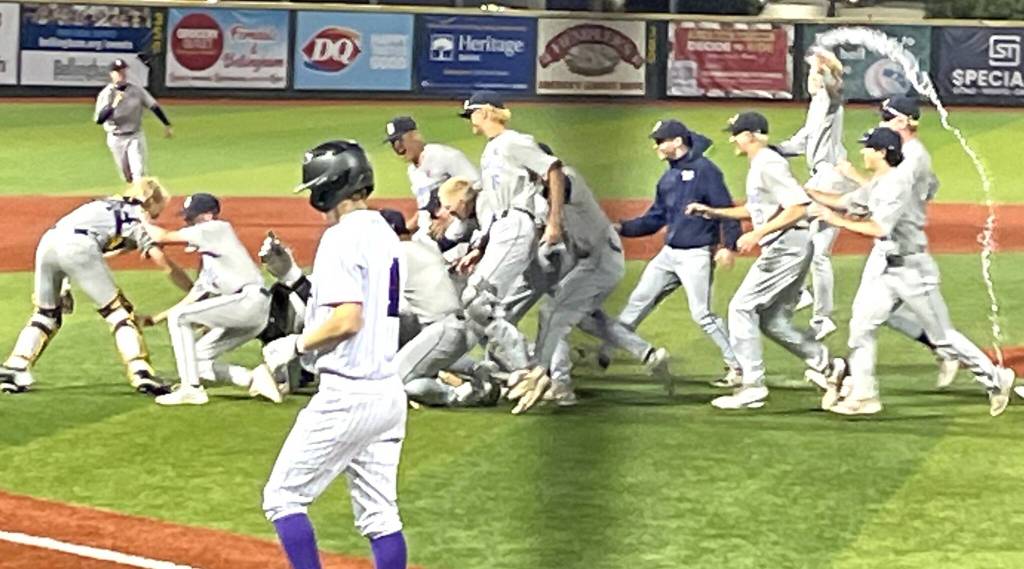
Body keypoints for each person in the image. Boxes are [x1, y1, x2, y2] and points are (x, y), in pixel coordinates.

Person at [260, 140, 408, 569]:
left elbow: (346, 320)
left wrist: (294, 344)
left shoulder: (341, 238)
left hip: (348, 395)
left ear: (327, 187)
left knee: (283, 497)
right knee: (381, 516)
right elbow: (343, 304)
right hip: (386, 393)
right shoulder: (382, 231)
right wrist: (288, 273)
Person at [812, 127, 1014, 416]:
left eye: (867, 148)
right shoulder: (880, 181)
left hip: (913, 271)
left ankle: (996, 378)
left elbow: (879, 228)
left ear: (882, 153)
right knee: (861, 326)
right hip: (889, 270)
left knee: (943, 337)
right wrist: (806, 193)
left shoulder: (896, 185)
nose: (862, 152)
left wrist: (836, 221)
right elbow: (845, 202)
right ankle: (865, 396)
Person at [687, 112, 842, 410]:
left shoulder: (768, 163)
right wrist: (715, 212)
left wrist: (757, 234)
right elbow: (759, 208)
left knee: (741, 307)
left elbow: (798, 207)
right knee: (772, 320)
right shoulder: (761, 163)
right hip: (790, 244)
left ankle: (752, 386)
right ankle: (828, 366)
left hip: (787, 246)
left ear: (752, 135)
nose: (733, 139)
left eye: (737, 133)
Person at [0, 178, 191, 395]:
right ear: (151, 202)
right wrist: (192, 289)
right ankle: (141, 372)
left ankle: (15, 367)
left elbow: (78, 244)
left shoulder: (98, 205)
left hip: (47, 244)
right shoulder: (135, 218)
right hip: (79, 246)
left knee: (46, 314)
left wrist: (65, 286)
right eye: (158, 210)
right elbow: (162, 261)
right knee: (120, 313)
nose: (157, 215)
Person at [596, 119, 741, 387]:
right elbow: (655, 218)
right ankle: (605, 353)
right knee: (637, 303)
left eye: (660, 141)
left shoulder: (706, 171)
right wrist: (622, 228)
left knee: (703, 314)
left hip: (696, 255)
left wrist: (728, 246)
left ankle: (739, 366)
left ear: (677, 141)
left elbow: (725, 208)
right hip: (669, 255)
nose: (656, 147)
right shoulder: (668, 178)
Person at [137, 193, 278, 406]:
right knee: (196, 359)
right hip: (248, 309)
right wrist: (154, 319)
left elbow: (163, 236)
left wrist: (137, 219)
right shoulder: (211, 260)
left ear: (207, 216)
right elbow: (194, 297)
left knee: (180, 318)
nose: (187, 222)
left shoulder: (217, 228)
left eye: (191, 217)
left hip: (250, 301)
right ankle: (252, 378)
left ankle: (190, 389)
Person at [777, 48, 849, 340]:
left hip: (830, 179)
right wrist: (767, 149)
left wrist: (826, 69)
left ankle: (815, 310)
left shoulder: (829, 101)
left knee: (799, 236)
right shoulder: (816, 106)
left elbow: (836, 89)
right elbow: (798, 143)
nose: (809, 78)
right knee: (813, 249)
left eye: (812, 74)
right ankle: (807, 302)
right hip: (822, 177)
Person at [383, 116, 479, 251]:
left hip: (458, 229)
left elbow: (476, 187)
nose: (398, 149)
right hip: (430, 233)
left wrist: (450, 216)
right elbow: (425, 208)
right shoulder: (412, 171)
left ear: (415, 136)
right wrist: (403, 229)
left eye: (400, 142)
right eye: (393, 144)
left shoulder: (445, 156)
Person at [94, 58, 172, 182]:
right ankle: (132, 196)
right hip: (115, 138)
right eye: (118, 71)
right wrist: (114, 104)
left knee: (139, 172)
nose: (122, 74)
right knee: (127, 175)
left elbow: (153, 106)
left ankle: (141, 199)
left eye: (123, 70)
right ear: (111, 74)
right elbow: (100, 119)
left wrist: (166, 124)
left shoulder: (137, 90)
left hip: (135, 135)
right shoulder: (106, 94)